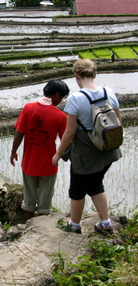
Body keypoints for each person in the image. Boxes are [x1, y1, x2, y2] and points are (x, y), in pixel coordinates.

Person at [52, 59, 122, 234]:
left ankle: (74, 226)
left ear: (76, 75)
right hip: (109, 150)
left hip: (86, 154)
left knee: (77, 189)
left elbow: (69, 133)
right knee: (95, 184)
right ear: (95, 74)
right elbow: (119, 122)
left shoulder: (76, 98)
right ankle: (105, 224)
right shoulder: (109, 92)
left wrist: (57, 155)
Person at [10, 79, 70, 220]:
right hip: (48, 165)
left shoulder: (28, 108)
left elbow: (19, 133)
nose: (61, 100)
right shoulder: (60, 116)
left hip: (29, 162)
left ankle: (30, 224)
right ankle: (41, 226)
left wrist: (13, 152)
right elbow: (65, 142)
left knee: (29, 200)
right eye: (61, 97)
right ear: (56, 94)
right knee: (45, 203)